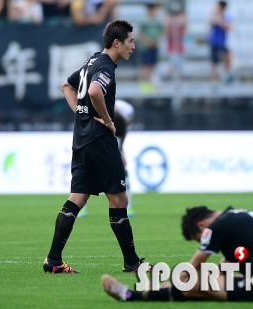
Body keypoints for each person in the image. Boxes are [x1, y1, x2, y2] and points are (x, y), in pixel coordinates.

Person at [43, 20, 152, 274]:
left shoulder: (93, 60)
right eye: (130, 41)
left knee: (77, 198)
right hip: (100, 141)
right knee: (119, 199)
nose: (133, 46)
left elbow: (66, 86)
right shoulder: (104, 66)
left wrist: (81, 115)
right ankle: (132, 263)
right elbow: (94, 91)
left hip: (81, 140)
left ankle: (54, 260)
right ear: (117, 43)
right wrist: (108, 120)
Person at [101, 205, 253, 302]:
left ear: (201, 226)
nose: (203, 241)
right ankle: (147, 293)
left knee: (195, 283)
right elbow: (226, 265)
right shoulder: (238, 218)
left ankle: (135, 296)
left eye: (199, 238)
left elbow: (190, 269)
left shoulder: (218, 226)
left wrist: (167, 282)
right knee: (201, 285)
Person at [78, 99, 136, 218]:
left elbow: (122, 133)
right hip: (94, 141)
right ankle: (81, 207)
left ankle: (127, 206)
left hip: (111, 140)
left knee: (123, 174)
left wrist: (121, 151)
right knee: (85, 175)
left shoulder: (126, 113)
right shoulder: (93, 111)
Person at [136, 2, 163, 91]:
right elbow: (139, 34)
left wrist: (156, 40)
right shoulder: (144, 20)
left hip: (154, 46)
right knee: (145, 66)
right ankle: (144, 87)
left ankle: (150, 87)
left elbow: (162, 31)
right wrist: (147, 41)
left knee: (152, 66)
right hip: (145, 47)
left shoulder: (157, 20)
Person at [208, 1, 233, 83]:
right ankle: (214, 80)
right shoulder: (214, 14)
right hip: (214, 41)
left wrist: (220, 22)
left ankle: (225, 76)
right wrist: (217, 18)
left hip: (222, 41)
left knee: (227, 57)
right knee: (214, 62)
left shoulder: (226, 15)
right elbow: (210, 24)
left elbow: (229, 27)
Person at [164, 1, 186, 83]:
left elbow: (184, 31)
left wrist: (179, 22)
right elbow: (166, 33)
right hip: (171, 48)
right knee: (171, 67)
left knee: (179, 68)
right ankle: (170, 82)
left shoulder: (181, 21)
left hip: (179, 48)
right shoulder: (169, 22)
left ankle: (178, 84)